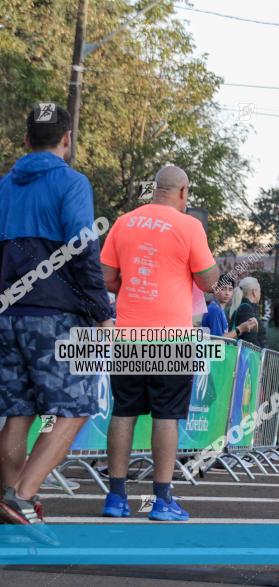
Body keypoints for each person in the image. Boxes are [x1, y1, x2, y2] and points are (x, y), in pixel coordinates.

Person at [0, 105, 114, 537]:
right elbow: (83, 250)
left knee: (17, 412)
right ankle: (22, 497)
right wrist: (101, 312)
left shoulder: (4, 187)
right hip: (57, 316)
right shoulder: (71, 182)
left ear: (26, 140)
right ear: (66, 141)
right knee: (77, 407)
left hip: (9, 314)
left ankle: (9, 506)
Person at [100, 164, 219, 521]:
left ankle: (116, 497)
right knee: (166, 416)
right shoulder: (189, 226)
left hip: (129, 334)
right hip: (171, 336)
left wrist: (135, 288)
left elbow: (106, 278)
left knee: (123, 412)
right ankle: (162, 500)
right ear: (183, 192)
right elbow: (209, 281)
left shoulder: (124, 222)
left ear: (155, 189)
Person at [201, 273, 256, 340]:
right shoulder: (215, 310)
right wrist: (240, 329)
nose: (227, 293)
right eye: (223, 289)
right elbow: (217, 340)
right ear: (216, 290)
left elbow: (223, 335)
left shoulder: (218, 308)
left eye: (230, 289)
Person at [228, 276, 263, 347]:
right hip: (246, 356)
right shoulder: (246, 309)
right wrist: (261, 354)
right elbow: (250, 339)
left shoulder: (244, 307)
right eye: (259, 291)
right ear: (254, 292)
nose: (260, 294)